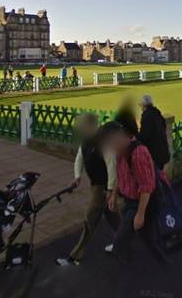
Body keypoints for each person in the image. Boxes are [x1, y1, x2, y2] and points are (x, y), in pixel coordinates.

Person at [99, 121, 168, 264]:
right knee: (145, 236)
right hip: (131, 201)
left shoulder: (138, 153)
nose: (109, 148)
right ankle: (161, 261)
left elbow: (146, 187)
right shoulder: (119, 153)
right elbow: (120, 174)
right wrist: (113, 194)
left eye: (109, 144)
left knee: (121, 241)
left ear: (117, 138)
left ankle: (163, 265)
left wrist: (140, 214)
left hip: (143, 203)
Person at [56, 114, 119, 266]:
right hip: (95, 186)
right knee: (114, 218)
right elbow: (79, 158)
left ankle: (75, 257)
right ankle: (124, 241)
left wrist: (110, 190)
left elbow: (112, 164)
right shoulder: (86, 141)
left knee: (89, 221)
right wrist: (77, 176)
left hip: (102, 189)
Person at [139, 95, 171, 170]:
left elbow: (144, 136)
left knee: (154, 176)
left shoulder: (147, 116)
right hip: (162, 151)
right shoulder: (157, 113)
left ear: (144, 105)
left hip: (155, 154)